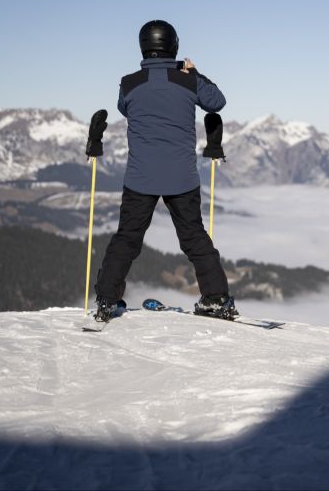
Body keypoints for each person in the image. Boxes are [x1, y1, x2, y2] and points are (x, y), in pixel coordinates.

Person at [93, 20, 236, 322]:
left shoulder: (128, 83)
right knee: (194, 238)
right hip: (181, 177)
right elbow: (217, 102)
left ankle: (106, 299)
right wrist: (192, 73)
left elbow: (124, 107)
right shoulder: (188, 80)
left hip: (140, 177)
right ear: (174, 45)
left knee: (127, 239)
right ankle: (216, 298)